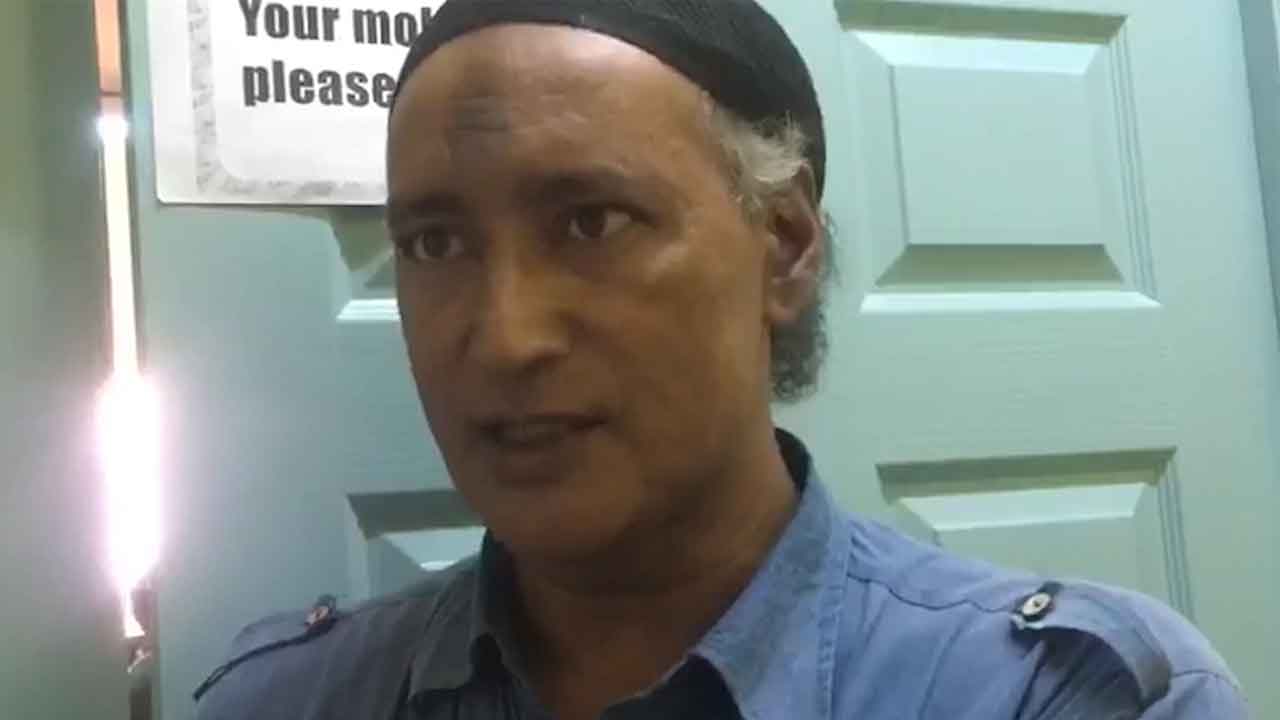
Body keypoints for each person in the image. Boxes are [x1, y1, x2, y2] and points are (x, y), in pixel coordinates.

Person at [194, 1, 1248, 718]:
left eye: (591, 222)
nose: (507, 337)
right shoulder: (290, 699)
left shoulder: (1064, 695)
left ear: (782, 245)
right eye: (434, 243)